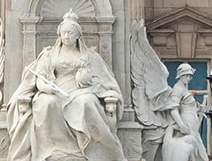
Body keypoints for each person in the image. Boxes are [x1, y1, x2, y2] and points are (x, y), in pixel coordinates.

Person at [8, 11, 126, 161]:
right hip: (54, 90)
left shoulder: (88, 56)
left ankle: (89, 149)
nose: (67, 36)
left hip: (80, 91)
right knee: (46, 103)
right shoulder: (49, 54)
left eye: (70, 33)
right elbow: (39, 78)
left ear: (77, 35)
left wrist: (84, 77)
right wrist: (46, 88)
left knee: (87, 102)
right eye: (64, 33)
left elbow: (100, 79)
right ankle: (52, 150)